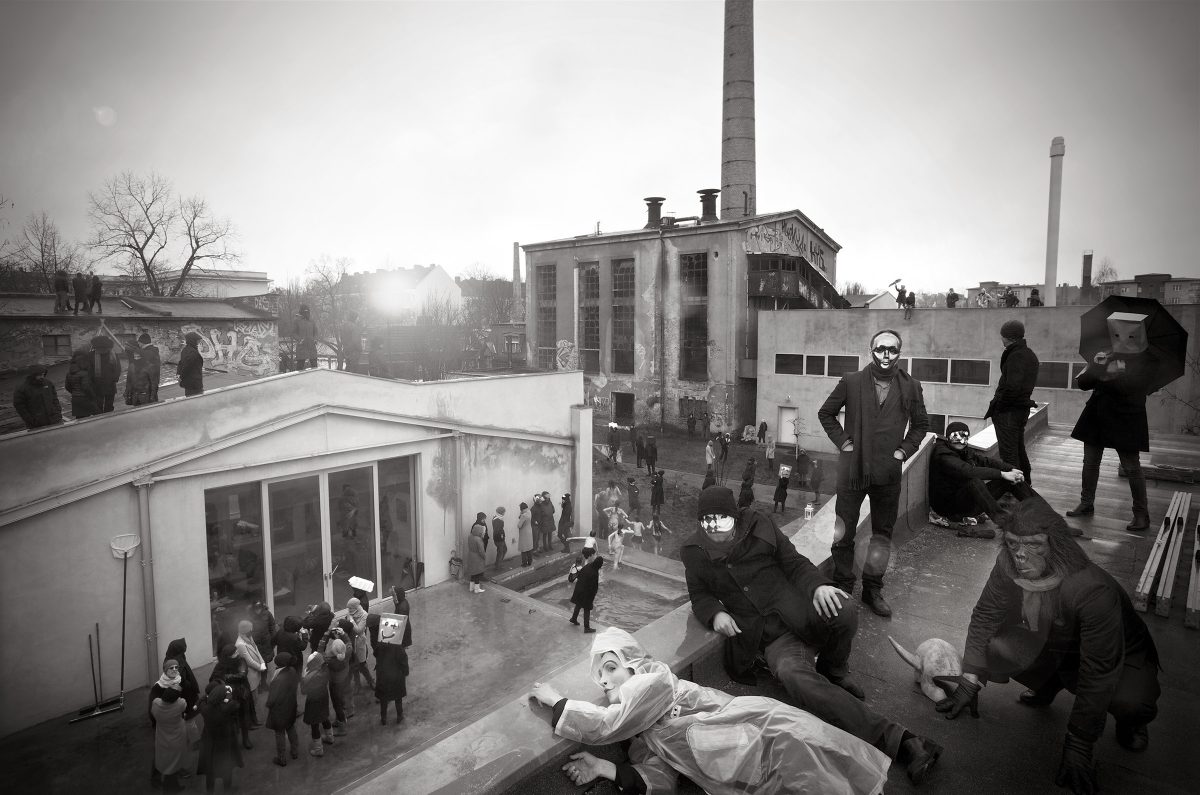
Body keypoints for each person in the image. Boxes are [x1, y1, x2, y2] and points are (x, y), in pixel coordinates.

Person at [680, 485, 943, 785]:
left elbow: (794, 563)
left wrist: (818, 586)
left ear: (736, 518)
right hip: (772, 638)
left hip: (801, 610)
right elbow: (699, 594)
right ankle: (904, 741)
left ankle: (834, 669)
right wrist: (716, 613)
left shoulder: (759, 524)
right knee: (793, 675)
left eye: (721, 520)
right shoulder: (694, 552)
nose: (714, 528)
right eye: (707, 521)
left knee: (844, 607)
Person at [935, 496, 1160, 795]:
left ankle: (1130, 723)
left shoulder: (1091, 589)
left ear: (1056, 546)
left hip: (1117, 657)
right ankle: (1049, 684)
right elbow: (986, 615)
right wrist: (969, 679)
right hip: (1055, 642)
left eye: (1033, 546)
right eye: (1014, 544)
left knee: (1132, 701)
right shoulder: (1008, 564)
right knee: (996, 646)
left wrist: (1079, 744)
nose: (1020, 557)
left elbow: (1099, 670)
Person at [529, 627, 891, 795]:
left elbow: (606, 726)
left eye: (611, 667)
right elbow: (661, 779)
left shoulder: (656, 684)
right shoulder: (645, 733)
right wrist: (605, 768)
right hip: (751, 764)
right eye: (599, 676)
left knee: (820, 771)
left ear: (635, 664)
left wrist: (554, 700)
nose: (605, 682)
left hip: (768, 732)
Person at [818, 328, 929, 618]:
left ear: (899, 354)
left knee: (882, 535)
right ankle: (842, 584)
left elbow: (921, 425)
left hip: (888, 474)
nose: (886, 355)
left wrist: (903, 451)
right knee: (843, 532)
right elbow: (825, 413)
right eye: (880, 349)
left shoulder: (911, 386)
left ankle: (872, 589)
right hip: (852, 472)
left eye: (892, 350)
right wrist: (843, 442)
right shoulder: (851, 382)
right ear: (871, 351)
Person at [1066, 320, 1157, 531]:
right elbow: (1083, 384)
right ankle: (1086, 503)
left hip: (1127, 418)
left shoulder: (1147, 360)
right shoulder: (1104, 354)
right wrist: (1098, 365)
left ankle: (1141, 514)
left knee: (1132, 468)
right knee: (1090, 462)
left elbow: (1134, 389)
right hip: (1097, 416)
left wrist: (1110, 375)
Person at [928, 422, 1040, 538]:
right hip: (950, 508)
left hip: (966, 501)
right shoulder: (943, 454)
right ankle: (1004, 522)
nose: (960, 440)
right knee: (974, 481)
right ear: (948, 438)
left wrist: (1012, 469)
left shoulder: (965, 451)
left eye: (963, 435)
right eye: (955, 436)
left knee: (1012, 480)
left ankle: (1044, 512)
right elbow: (967, 470)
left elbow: (987, 461)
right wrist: (1002, 474)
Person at [986, 319, 1040, 485]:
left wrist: (1000, 406)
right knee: (1018, 450)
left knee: (1009, 454)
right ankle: (1026, 485)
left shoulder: (1016, 355)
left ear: (1008, 337)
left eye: (1002, 336)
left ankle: (1015, 492)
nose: (1001, 339)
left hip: (1009, 412)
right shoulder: (1029, 354)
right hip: (1019, 410)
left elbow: (1012, 388)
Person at [198, 681, 244, 793]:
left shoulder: (205, 709)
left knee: (210, 770)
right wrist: (227, 695)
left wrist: (207, 697)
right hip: (225, 742)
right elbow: (236, 703)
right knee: (226, 766)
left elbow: (202, 701)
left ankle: (210, 791)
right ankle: (227, 789)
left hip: (209, 742)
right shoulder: (227, 708)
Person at [372, 616, 410, 725]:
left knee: (383, 699)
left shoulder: (381, 644)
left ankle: (383, 718)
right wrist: (405, 671)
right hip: (396, 676)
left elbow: (375, 654)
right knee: (398, 697)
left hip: (383, 675)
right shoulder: (397, 646)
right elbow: (403, 659)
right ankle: (399, 716)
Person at [151, 683, 188, 792]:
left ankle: (164, 781)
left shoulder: (156, 704)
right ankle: (171, 788)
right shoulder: (179, 705)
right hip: (176, 738)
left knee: (164, 760)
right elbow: (184, 702)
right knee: (173, 766)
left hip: (162, 738)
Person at [265, 651, 300, 767]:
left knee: (279, 733)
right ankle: (295, 752)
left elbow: (272, 700)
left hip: (279, 710)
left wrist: (268, 705)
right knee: (291, 728)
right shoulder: (292, 671)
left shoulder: (278, 679)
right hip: (291, 706)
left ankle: (282, 758)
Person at [234, 620, 267, 726]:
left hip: (255, 674)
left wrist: (262, 662)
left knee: (254, 699)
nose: (252, 631)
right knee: (250, 700)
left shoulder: (248, 638)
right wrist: (260, 667)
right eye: (250, 629)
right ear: (245, 630)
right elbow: (248, 661)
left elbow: (256, 650)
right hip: (250, 676)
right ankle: (248, 722)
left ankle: (252, 719)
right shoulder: (240, 644)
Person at [301, 651, 334, 756]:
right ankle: (330, 737)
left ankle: (318, 750)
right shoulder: (325, 669)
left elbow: (303, 691)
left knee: (314, 725)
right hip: (323, 697)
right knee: (324, 717)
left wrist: (304, 677)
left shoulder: (310, 677)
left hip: (313, 702)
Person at [569, 545, 603, 633]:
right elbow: (593, 587)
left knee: (578, 604)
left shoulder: (588, 566)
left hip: (579, 589)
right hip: (586, 593)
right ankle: (587, 628)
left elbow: (580, 576)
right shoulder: (595, 573)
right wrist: (592, 597)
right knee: (587, 609)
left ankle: (573, 618)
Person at [346, 598, 375, 693]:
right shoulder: (349, 614)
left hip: (360, 642)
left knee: (362, 664)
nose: (349, 611)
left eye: (351, 608)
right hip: (351, 641)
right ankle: (357, 684)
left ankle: (370, 681)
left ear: (355, 607)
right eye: (348, 609)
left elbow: (359, 630)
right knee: (353, 664)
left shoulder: (364, 615)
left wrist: (351, 621)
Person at [87, 335, 122, 412]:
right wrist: (92, 382)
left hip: (110, 385)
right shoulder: (90, 356)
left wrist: (114, 379)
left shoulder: (113, 355)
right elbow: (89, 371)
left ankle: (107, 420)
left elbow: (118, 369)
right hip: (97, 386)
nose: (102, 350)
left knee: (109, 406)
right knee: (98, 406)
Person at [248, 601, 277, 693]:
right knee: (256, 665)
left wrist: (273, 638)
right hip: (254, 645)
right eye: (256, 609)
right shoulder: (249, 615)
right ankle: (257, 684)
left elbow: (272, 626)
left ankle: (263, 684)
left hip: (266, 643)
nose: (258, 611)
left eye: (259, 608)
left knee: (264, 664)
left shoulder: (267, 614)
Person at [65, 346, 99, 420]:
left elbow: (67, 387)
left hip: (75, 399)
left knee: (80, 420)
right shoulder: (84, 373)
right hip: (85, 398)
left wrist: (75, 392)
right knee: (98, 415)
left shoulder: (69, 373)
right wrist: (93, 396)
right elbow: (86, 387)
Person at [178, 331, 205, 396]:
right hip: (194, 384)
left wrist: (179, 375)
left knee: (189, 398)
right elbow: (186, 367)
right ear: (193, 341)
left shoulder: (185, 350)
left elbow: (181, 363)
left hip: (189, 384)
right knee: (197, 401)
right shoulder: (192, 352)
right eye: (197, 341)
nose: (198, 343)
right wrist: (181, 377)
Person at [137, 333, 161, 402]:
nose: (138, 344)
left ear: (141, 343)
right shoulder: (153, 351)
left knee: (147, 407)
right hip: (151, 385)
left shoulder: (147, 353)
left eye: (139, 342)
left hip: (146, 387)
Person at [294, 304, 319, 370]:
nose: (306, 313)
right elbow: (293, 333)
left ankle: (315, 379)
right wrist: (299, 340)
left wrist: (315, 339)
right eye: (304, 312)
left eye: (307, 312)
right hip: (301, 347)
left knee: (314, 367)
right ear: (301, 312)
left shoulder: (312, 321)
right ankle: (299, 380)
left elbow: (316, 332)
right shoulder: (297, 321)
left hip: (311, 346)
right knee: (300, 367)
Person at [467, 514, 487, 593]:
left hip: (471, 556)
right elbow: (481, 551)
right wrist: (484, 557)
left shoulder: (470, 536)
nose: (483, 533)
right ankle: (477, 589)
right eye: (482, 531)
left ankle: (471, 587)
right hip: (477, 558)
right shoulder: (478, 539)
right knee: (477, 574)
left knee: (472, 572)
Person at [517, 501, 534, 567]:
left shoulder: (523, 515)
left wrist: (520, 517)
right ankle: (530, 562)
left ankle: (524, 563)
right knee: (529, 548)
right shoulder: (529, 512)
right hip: (529, 531)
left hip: (524, 533)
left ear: (521, 509)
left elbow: (519, 525)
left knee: (523, 549)